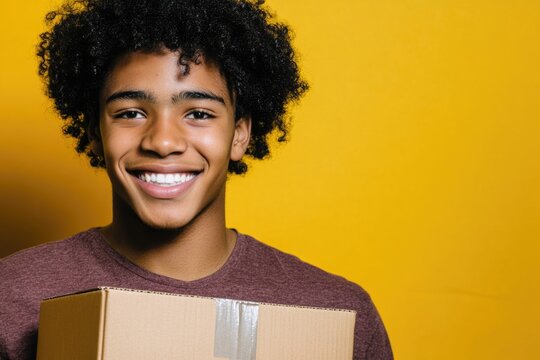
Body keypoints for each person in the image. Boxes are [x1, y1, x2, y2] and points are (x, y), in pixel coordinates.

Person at [0, 0, 393, 359]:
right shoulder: (12, 297)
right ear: (94, 133)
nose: (163, 141)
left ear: (239, 134)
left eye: (199, 114)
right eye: (131, 113)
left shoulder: (339, 313)